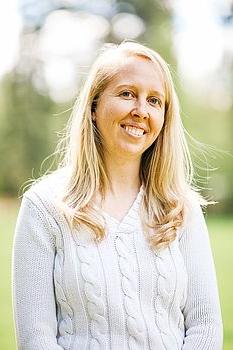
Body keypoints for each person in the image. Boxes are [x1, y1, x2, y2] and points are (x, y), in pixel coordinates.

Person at [12, 41, 223, 350]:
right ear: (94, 107)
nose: (141, 111)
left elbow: (206, 328)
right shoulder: (44, 207)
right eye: (127, 94)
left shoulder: (182, 209)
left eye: (154, 100)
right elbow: (36, 339)